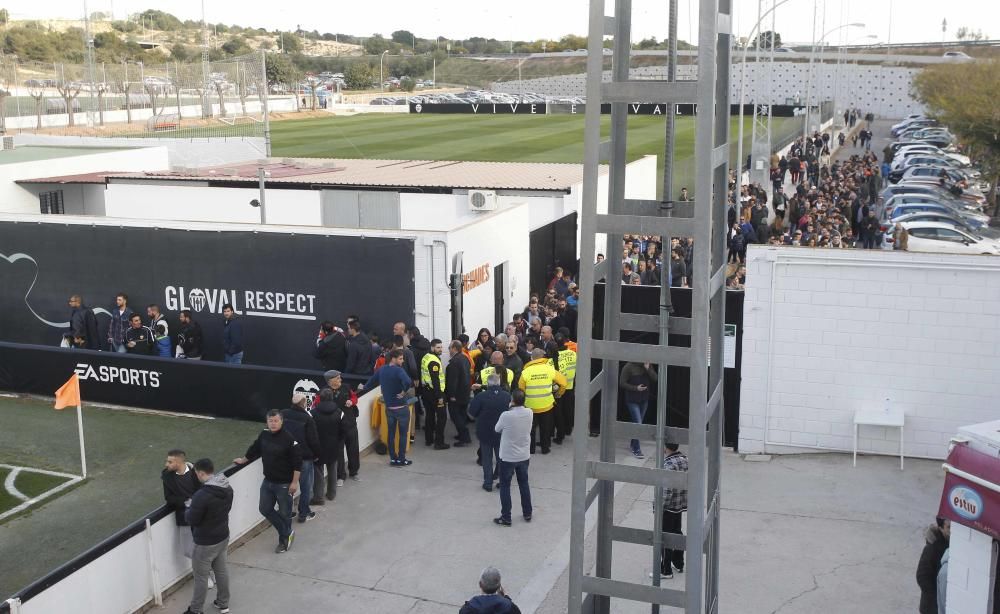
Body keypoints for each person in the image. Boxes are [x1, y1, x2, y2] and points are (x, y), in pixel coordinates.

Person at [234, 410, 302, 554]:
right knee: (264, 509)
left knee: (285, 513)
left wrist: (294, 483)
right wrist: (243, 460)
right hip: (268, 481)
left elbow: (297, 464)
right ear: (267, 422)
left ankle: (284, 541)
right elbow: (254, 448)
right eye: (270, 421)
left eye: (276, 421)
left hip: (284, 484)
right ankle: (287, 532)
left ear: (281, 421)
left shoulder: (289, 439)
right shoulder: (264, 434)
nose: (273, 423)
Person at [183, 458, 233, 614]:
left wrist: (189, 507)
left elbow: (191, 519)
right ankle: (223, 603)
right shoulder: (227, 487)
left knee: (201, 577)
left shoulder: (201, 496)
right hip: (223, 535)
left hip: (205, 542)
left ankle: (196, 610)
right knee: (222, 570)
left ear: (200, 473)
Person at [361, 349, 414, 466]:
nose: (403, 360)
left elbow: (370, 382)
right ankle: (401, 459)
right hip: (401, 407)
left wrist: (363, 387)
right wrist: (404, 391)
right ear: (393, 359)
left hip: (389, 408)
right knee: (403, 434)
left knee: (390, 433)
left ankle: (393, 459)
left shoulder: (382, 369)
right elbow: (408, 381)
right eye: (400, 358)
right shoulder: (399, 371)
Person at [493, 389, 533, 526]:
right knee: (524, 483)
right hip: (523, 455)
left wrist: (508, 409)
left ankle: (506, 517)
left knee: (505, 486)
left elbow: (497, 429)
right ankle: (527, 513)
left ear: (512, 401)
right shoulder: (529, 412)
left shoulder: (506, 415)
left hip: (508, 457)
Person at [518, 348, 568, 455]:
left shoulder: (525, 372)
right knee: (545, 428)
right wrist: (559, 393)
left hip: (530, 406)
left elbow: (521, 389)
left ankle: (531, 449)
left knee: (530, 429)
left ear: (531, 358)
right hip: (546, 405)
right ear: (543, 357)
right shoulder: (549, 369)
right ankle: (545, 449)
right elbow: (563, 382)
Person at [281, 393, 321, 523]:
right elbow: (313, 440)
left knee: (288, 487)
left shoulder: (283, 414)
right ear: (303, 403)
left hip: (286, 458)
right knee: (306, 487)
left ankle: (288, 512)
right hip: (304, 458)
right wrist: (316, 455)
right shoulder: (307, 418)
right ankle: (304, 513)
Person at [469, 374, 511, 492]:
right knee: (501, 459)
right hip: (502, 433)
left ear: (487, 384)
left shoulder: (481, 396)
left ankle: (488, 483)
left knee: (487, 459)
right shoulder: (507, 396)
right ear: (499, 383)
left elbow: (471, 412)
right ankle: (503, 483)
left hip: (485, 432)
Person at [161, 449, 202, 570]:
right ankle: (207, 570)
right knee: (188, 550)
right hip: (184, 517)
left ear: (179, 462)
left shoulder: (198, 471)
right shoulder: (167, 476)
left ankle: (205, 572)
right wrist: (185, 502)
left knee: (204, 547)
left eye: (170, 462)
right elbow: (169, 498)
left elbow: (207, 488)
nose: (166, 464)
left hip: (201, 516)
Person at [658, 442, 688, 579]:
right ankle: (679, 562)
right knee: (677, 532)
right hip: (680, 505)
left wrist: (659, 506)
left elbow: (666, 490)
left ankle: (666, 569)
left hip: (668, 507)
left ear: (665, 447)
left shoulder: (668, 464)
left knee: (665, 537)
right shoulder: (684, 460)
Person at [324, 370, 361, 482]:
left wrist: (352, 401)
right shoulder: (323, 392)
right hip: (336, 428)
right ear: (330, 381)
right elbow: (318, 405)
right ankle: (340, 476)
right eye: (338, 378)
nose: (341, 379)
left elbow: (355, 398)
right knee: (338, 452)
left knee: (353, 449)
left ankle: (354, 472)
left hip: (350, 424)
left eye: (340, 377)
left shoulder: (346, 387)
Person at [311, 387, 343, 503]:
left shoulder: (313, 413)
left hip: (318, 447)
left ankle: (318, 497)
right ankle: (331, 494)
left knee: (318, 473)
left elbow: (311, 432)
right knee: (333, 470)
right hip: (334, 446)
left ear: (320, 398)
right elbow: (342, 430)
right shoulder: (339, 412)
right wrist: (339, 443)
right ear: (332, 397)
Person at [620, 362, 657, 458]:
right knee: (638, 424)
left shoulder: (648, 365)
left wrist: (648, 368)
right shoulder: (628, 367)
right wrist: (636, 388)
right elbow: (622, 383)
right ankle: (636, 448)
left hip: (644, 399)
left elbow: (655, 378)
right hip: (632, 400)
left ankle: (633, 443)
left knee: (637, 423)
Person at [419, 339, 449, 450]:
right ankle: (439, 442)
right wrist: (440, 396)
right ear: (432, 347)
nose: (440, 349)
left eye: (441, 347)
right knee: (442, 417)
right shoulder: (434, 362)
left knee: (430, 415)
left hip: (426, 391)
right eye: (438, 347)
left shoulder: (426, 357)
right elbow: (435, 380)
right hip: (435, 392)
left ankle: (429, 439)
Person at [917, 517, 950, 614]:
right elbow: (922, 577)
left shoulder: (953, 542)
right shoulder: (932, 549)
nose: (952, 530)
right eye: (949, 527)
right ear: (941, 528)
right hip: (931, 607)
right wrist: (937, 598)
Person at [446, 339, 473, 448]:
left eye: (449, 348)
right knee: (461, 415)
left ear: (454, 348)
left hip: (456, 395)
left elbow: (453, 381)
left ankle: (465, 438)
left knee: (455, 416)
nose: (448, 350)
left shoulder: (454, 362)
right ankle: (462, 435)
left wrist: (451, 395)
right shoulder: (465, 359)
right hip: (465, 392)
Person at [551, 335, 577, 445]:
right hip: (571, 385)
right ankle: (569, 428)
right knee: (569, 409)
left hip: (560, 387)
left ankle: (560, 435)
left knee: (559, 412)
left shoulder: (556, 357)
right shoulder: (573, 354)